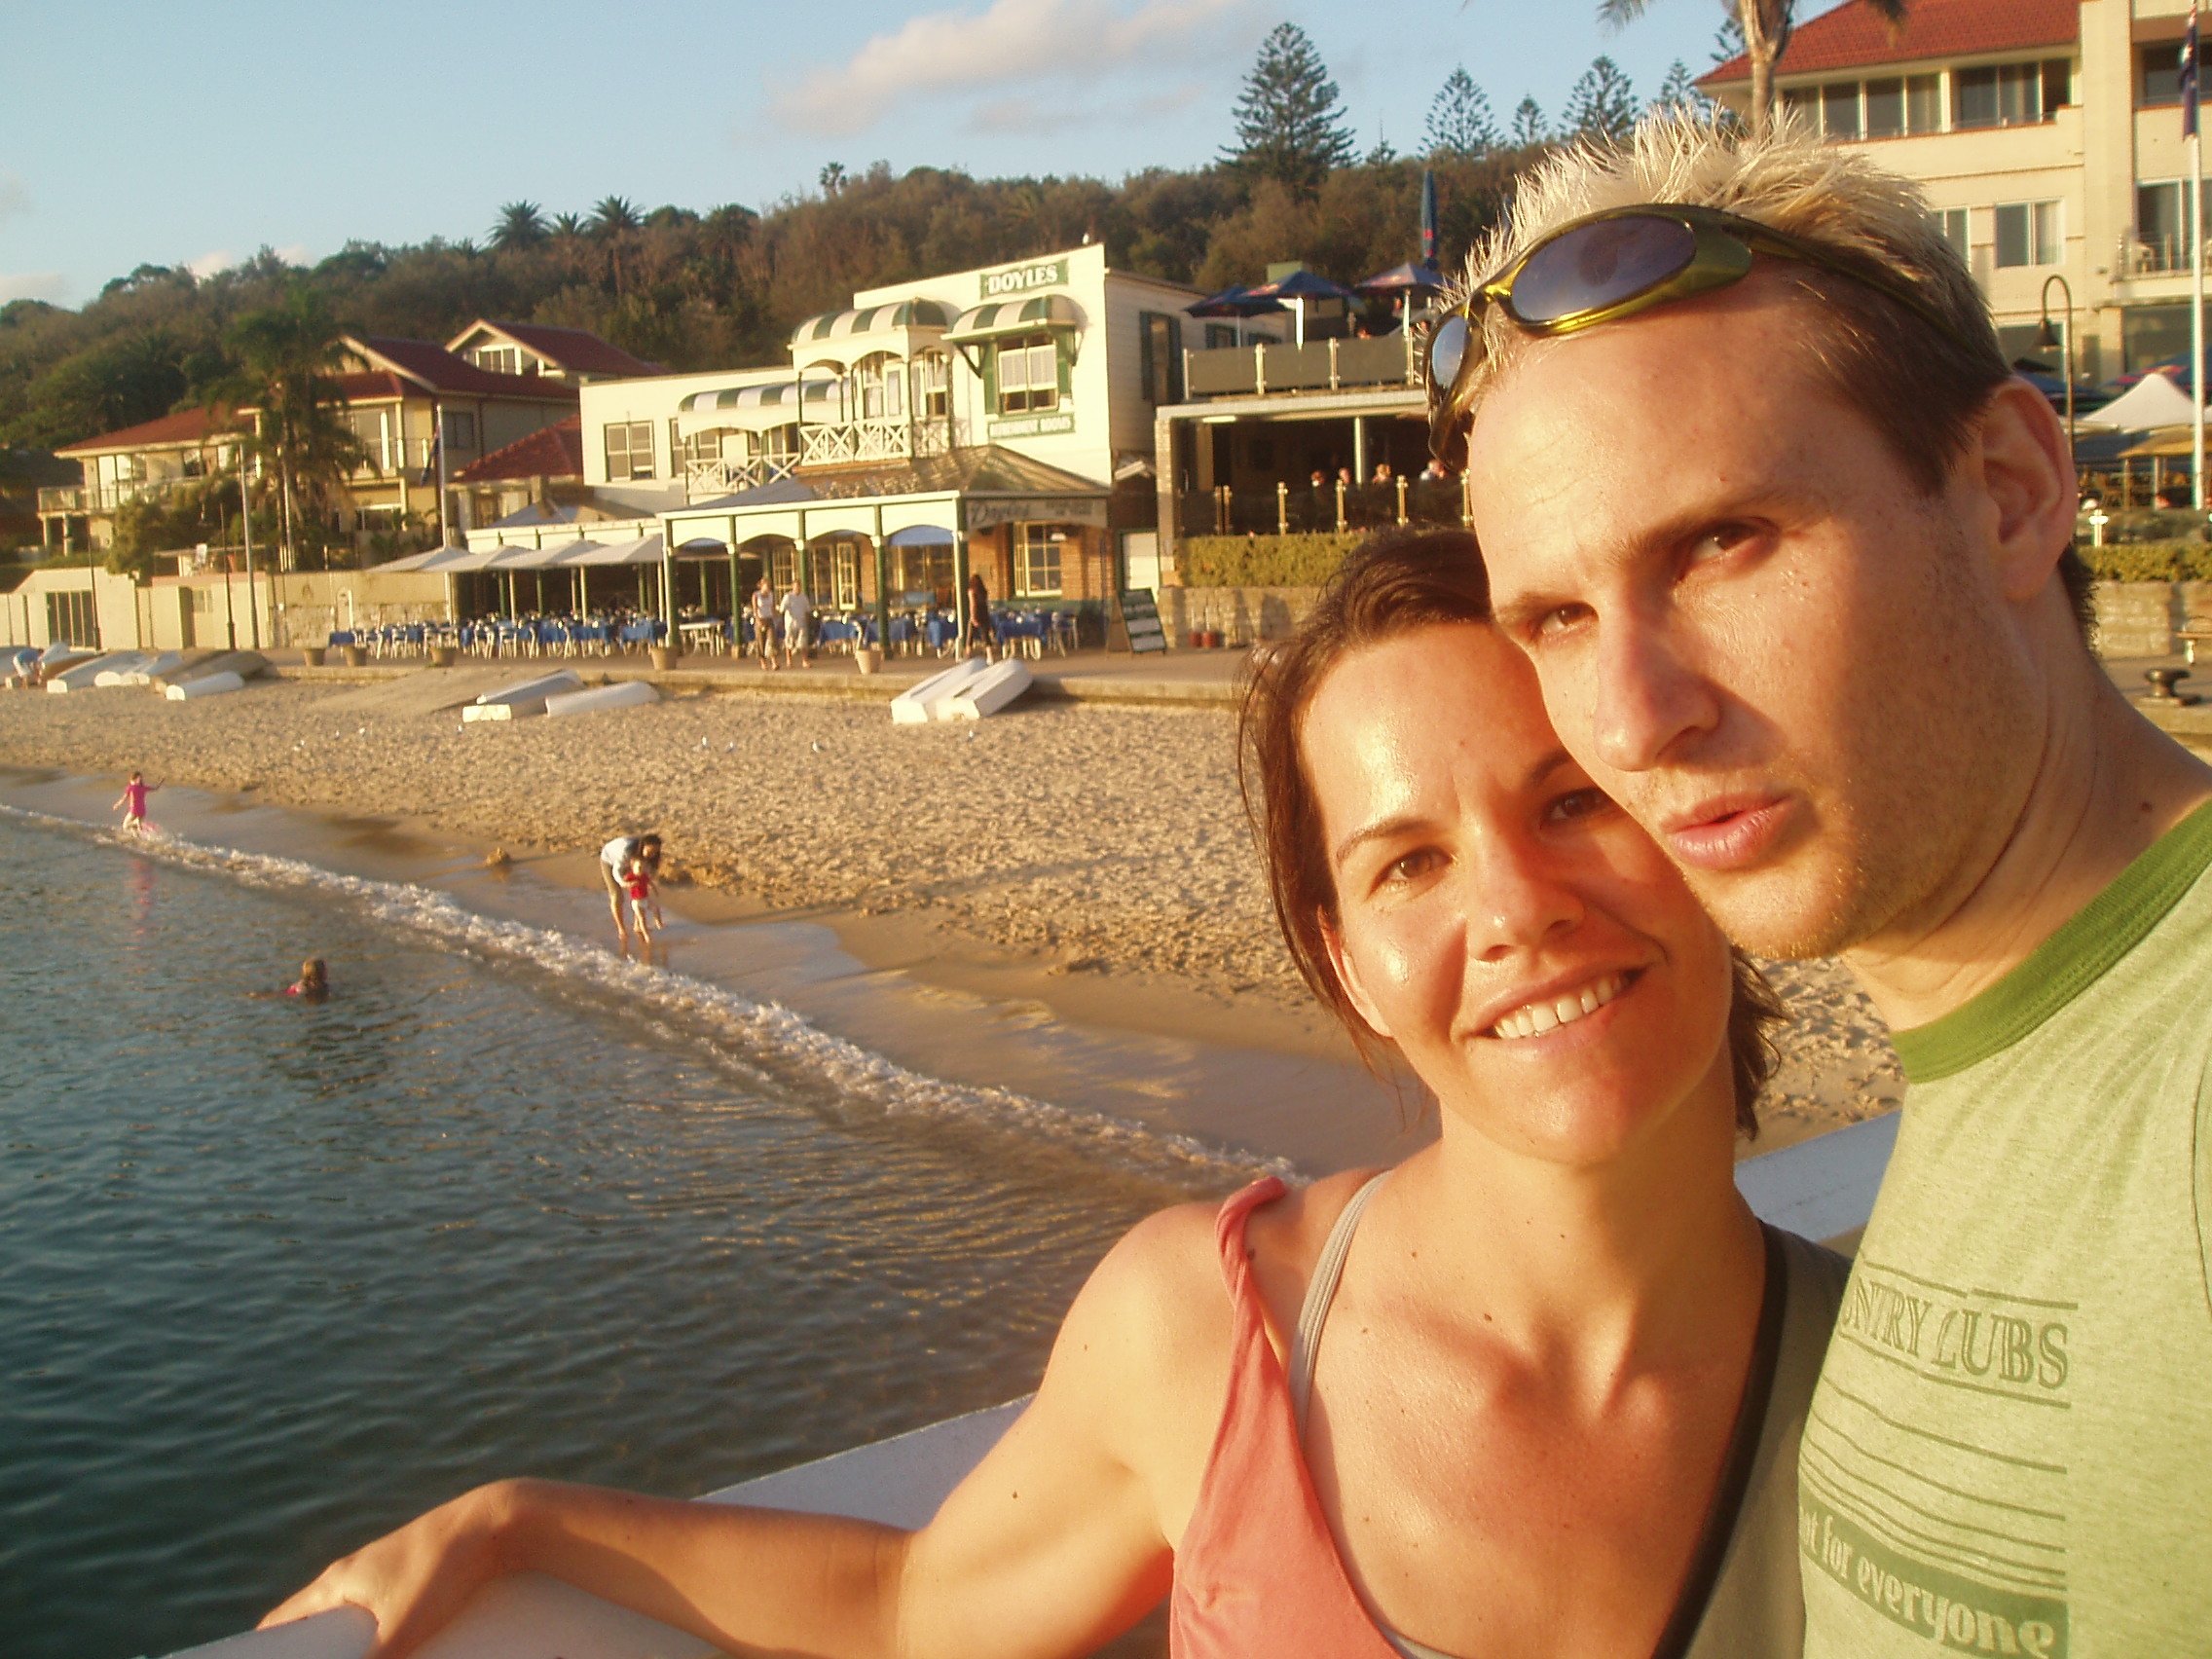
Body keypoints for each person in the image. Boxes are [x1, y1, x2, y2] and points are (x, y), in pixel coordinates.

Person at [262, 531, 1845, 1659]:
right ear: (1347, 963)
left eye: (1570, 801)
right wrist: (516, 1519)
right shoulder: (1215, 1331)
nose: (1513, 912)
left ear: (1696, 821)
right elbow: (913, 1610)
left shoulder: (1912, 1376)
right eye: (1408, 863)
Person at [1431, 113, 2212, 1653]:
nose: (1634, 722)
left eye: (1724, 543)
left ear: (2008, 491)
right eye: (1559, 620)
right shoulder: (2015, 1059)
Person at [598, 832, 661, 953]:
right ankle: (621, 929)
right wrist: (623, 883)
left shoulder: (651, 857)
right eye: (649, 851)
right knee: (617, 895)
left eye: (655, 852)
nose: (652, 855)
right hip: (609, 860)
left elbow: (648, 873)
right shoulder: (626, 852)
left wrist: (649, 883)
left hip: (632, 861)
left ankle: (637, 925)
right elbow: (617, 870)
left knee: (641, 894)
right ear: (642, 847)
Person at [623, 856, 662, 943]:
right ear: (633, 868)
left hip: (645, 899)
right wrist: (629, 884)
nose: (641, 870)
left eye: (643, 868)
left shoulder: (644, 876)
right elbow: (623, 883)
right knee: (642, 918)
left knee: (656, 908)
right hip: (636, 901)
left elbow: (650, 883)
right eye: (639, 868)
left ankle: (659, 924)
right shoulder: (630, 876)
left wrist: (655, 890)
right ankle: (646, 934)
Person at [778, 579, 813, 670]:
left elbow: (807, 609)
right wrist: (782, 621)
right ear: (793, 587)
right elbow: (782, 609)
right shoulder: (788, 597)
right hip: (790, 623)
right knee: (789, 642)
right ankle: (789, 661)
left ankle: (805, 661)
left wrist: (807, 620)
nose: (798, 588)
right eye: (796, 586)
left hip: (801, 623)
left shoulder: (803, 597)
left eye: (799, 586)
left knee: (803, 643)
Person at [113, 770, 159, 835]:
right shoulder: (143, 787)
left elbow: (124, 799)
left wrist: (117, 805)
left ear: (133, 779)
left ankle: (136, 822)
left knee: (125, 825)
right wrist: (159, 784)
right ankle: (136, 837)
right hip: (142, 811)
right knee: (134, 829)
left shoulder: (130, 788)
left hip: (134, 810)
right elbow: (155, 788)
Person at [964, 570, 994, 659]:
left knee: (970, 635)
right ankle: (990, 655)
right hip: (984, 613)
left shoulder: (971, 591)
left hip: (976, 613)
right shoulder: (983, 592)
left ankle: (968, 654)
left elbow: (973, 604)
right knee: (985, 635)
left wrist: (973, 617)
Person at [750, 575, 778, 670]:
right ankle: (763, 661)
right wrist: (757, 619)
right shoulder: (756, 595)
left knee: (772, 640)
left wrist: (776, 616)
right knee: (761, 641)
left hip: (769, 618)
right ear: (762, 586)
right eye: (766, 586)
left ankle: (774, 662)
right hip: (760, 619)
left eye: (769, 586)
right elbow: (755, 609)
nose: (768, 588)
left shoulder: (771, 594)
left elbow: (772, 606)